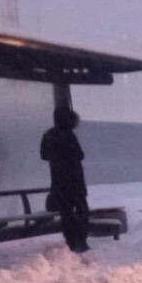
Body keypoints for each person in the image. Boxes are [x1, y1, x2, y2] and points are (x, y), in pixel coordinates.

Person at [40, 106, 90, 253]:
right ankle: (80, 240)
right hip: (75, 181)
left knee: (66, 213)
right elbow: (79, 155)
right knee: (81, 211)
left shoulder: (49, 135)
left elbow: (44, 155)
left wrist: (57, 157)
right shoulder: (69, 135)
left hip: (59, 181)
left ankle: (71, 241)